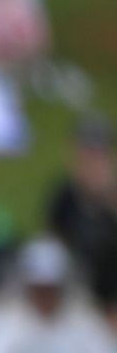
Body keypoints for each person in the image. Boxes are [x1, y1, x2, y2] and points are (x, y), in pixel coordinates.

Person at [46, 115, 117, 314]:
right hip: (75, 288)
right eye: (87, 153)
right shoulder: (64, 196)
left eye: (98, 154)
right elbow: (54, 243)